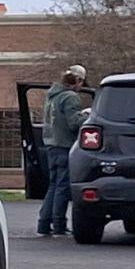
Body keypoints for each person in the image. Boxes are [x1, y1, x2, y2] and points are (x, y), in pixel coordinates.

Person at [37, 64, 88, 236]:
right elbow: (74, 123)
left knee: (53, 185)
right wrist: (87, 115)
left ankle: (43, 224)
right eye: (81, 81)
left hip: (50, 145)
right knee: (63, 187)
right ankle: (59, 224)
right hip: (65, 146)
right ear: (77, 80)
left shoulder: (51, 96)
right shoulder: (70, 97)